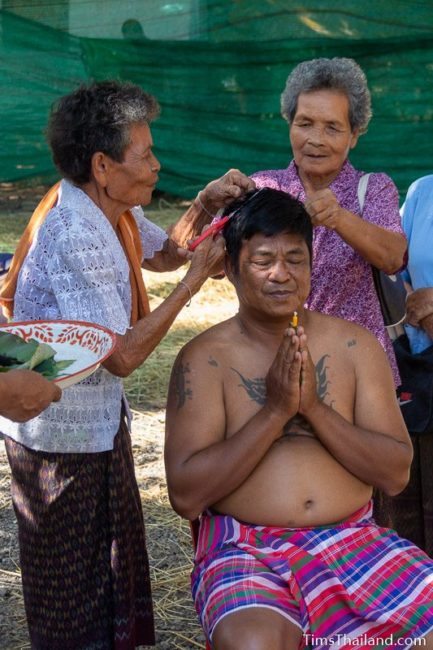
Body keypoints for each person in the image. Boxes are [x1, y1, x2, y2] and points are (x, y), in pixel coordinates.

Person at [0, 80, 254, 649]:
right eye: (145, 154)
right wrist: (193, 284)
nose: (157, 163)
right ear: (103, 164)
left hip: (90, 426)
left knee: (100, 570)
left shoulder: (106, 207)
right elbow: (122, 356)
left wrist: (206, 205)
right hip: (57, 439)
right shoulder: (76, 232)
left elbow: (166, 252)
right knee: (72, 593)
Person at [164, 189, 433, 650]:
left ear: (311, 265)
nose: (280, 274)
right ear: (229, 269)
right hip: (245, 551)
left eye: (295, 258)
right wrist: (273, 411)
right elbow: (187, 496)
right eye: (262, 259)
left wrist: (313, 408)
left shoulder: (354, 346)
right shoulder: (203, 360)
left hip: (356, 542)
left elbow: (394, 473)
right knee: (254, 644)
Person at [251, 57, 407, 387]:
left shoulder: (373, 189)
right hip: (274, 366)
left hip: (357, 371)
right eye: (305, 123)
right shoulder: (262, 188)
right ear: (289, 122)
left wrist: (339, 217)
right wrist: (207, 207)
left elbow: (393, 258)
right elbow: (220, 266)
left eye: (332, 127)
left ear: (354, 135)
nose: (316, 139)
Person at [387, 175, 433, 556]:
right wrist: (419, 307)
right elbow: (394, 271)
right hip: (421, 372)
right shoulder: (422, 192)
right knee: (413, 514)